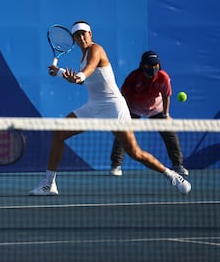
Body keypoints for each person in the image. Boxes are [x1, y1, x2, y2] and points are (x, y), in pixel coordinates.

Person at [29, 20, 191, 196]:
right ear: (74, 39)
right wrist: (59, 72)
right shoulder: (82, 57)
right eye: (77, 35)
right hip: (94, 106)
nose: (81, 37)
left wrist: (79, 76)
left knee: (135, 152)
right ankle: (49, 184)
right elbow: (81, 80)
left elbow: (88, 70)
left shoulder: (96, 50)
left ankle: (172, 175)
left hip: (115, 107)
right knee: (59, 132)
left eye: (84, 33)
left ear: (90, 35)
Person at [110, 51, 189, 177]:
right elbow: (123, 94)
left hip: (155, 109)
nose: (153, 68)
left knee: (170, 135)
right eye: (149, 65)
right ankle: (116, 165)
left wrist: (166, 114)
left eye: (155, 65)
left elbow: (166, 95)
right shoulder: (133, 77)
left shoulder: (163, 77)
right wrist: (125, 111)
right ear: (142, 66)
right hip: (134, 108)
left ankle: (178, 165)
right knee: (122, 134)